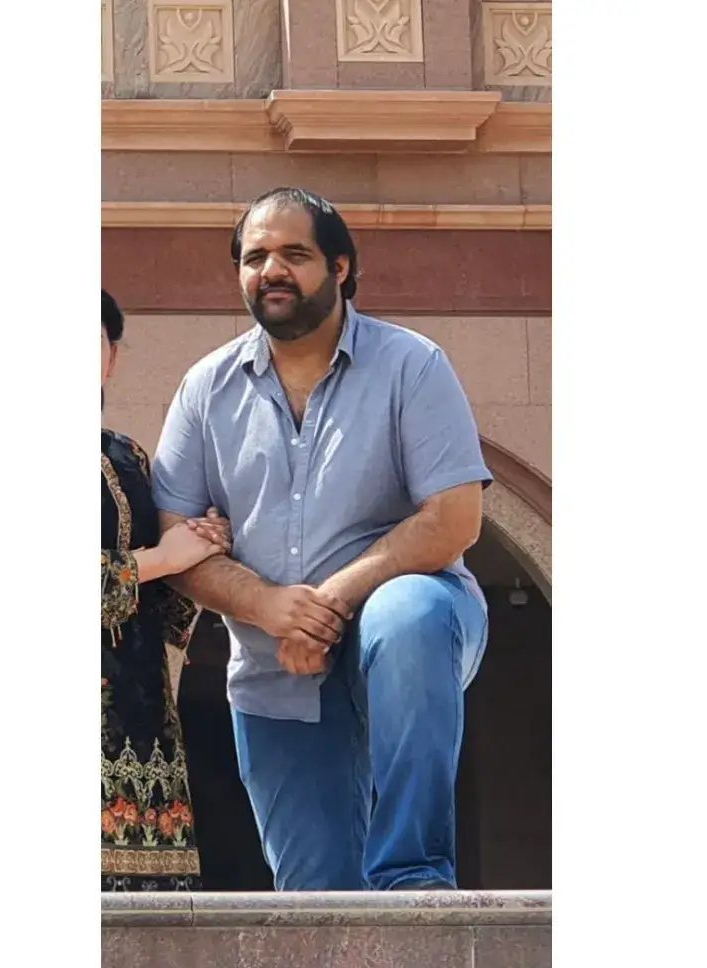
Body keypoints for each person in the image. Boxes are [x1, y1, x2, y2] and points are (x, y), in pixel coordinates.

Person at [150, 189, 492, 891]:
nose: (271, 270)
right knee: (317, 904)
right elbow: (173, 537)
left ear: (340, 267)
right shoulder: (206, 388)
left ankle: (413, 878)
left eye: (294, 254)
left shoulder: (412, 366)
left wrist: (329, 602)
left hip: (404, 635)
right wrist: (268, 606)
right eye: (255, 257)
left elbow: (455, 518)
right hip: (275, 667)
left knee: (409, 615)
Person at [99, 289, 232, 892]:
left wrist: (202, 546)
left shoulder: (128, 456)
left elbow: (162, 608)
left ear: (110, 357)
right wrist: (160, 559)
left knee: (154, 915)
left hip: (142, 723)